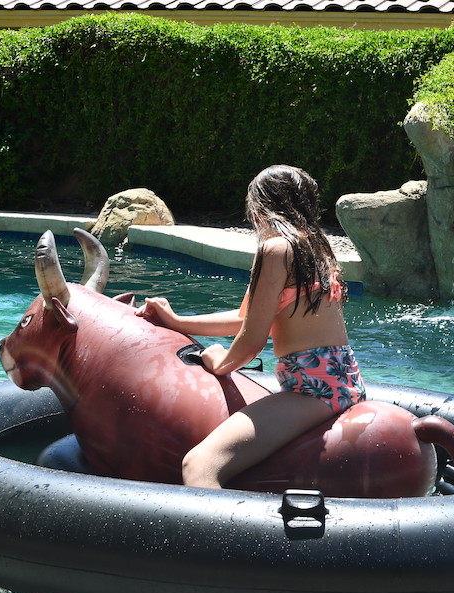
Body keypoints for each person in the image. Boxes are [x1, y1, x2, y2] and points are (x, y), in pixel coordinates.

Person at [135, 165, 365, 489]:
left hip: (313, 392)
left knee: (199, 466)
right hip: (344, 381)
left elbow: (252, 341)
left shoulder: (276, 250)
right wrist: (175, 321)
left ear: (259, 209)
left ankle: (218, 542)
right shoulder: (315, 247)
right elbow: (247, 318)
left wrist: (219, 361)